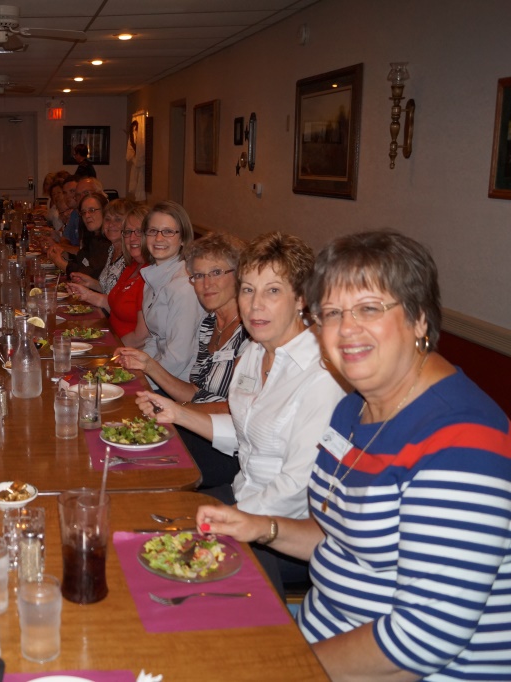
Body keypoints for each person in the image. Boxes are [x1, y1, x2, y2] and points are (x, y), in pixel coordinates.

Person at [196, 230, 511, 680]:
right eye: (332, 312)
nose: (346, 330)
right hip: (319, 634)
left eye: (369, 309)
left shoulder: (461, 440)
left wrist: (284, 667)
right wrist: (262, 528)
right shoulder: (353, 408)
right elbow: (343, 542)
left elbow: (422, 640)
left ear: (420, 318)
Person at [138, 232, 345, 595]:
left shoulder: (321, 376)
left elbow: (297, 488)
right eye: (248, 290)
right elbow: (244, 428)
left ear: (301, 298)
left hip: (285, 531)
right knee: (145, 517)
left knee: (171, 571)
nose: (255, 305)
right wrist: (178, 414)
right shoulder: (254, 351)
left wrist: (232, 514)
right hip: (242, 498)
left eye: (272, 291)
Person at [120, 232, 250, 489]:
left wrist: (178, 410)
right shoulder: (209, 324)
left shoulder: (251, 333)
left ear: (238, 274)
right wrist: (149, 365)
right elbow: (194, 391)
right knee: (121, 445)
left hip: (225, 448)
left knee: (137, 466)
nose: (206, 284)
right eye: (198, 276)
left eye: (216, 273)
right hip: (191, 426)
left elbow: (239, 409)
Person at [135, 200, 205, 383]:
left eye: (168, 232)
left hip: (181, 383)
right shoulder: (152, 277)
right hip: (161, 374)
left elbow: (178, 357)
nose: (159, 239)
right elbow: (155, 338)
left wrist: (141, 381)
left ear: (182, 239)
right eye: (153, 231)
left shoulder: (185, 287)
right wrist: (135, 367)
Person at [67, 203, 148, 343]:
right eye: (129, 232)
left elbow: (142, 337)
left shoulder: (148, 273)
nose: (133, 238)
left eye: (139, 232)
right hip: (109, 330)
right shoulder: (132, 264)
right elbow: (114, 302)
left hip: (121, 345)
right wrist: (88, 292)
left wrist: (111, 346)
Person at [67, 198, 132, 294]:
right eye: (107, 219)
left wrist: (90, 295)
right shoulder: (112, 249)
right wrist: (90, 283)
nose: (111, 224)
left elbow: (119, 301)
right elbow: (108, 289)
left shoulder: (130, 257)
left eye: (118, 219)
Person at [48, 191, 111, 280]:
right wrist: (64, 254)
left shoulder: (109, 241)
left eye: (92, 210)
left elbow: (91, 275)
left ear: (105, 211)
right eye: (83, 212)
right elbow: (83, 261)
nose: (87, 215)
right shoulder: (91, 238)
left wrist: (61, 263)